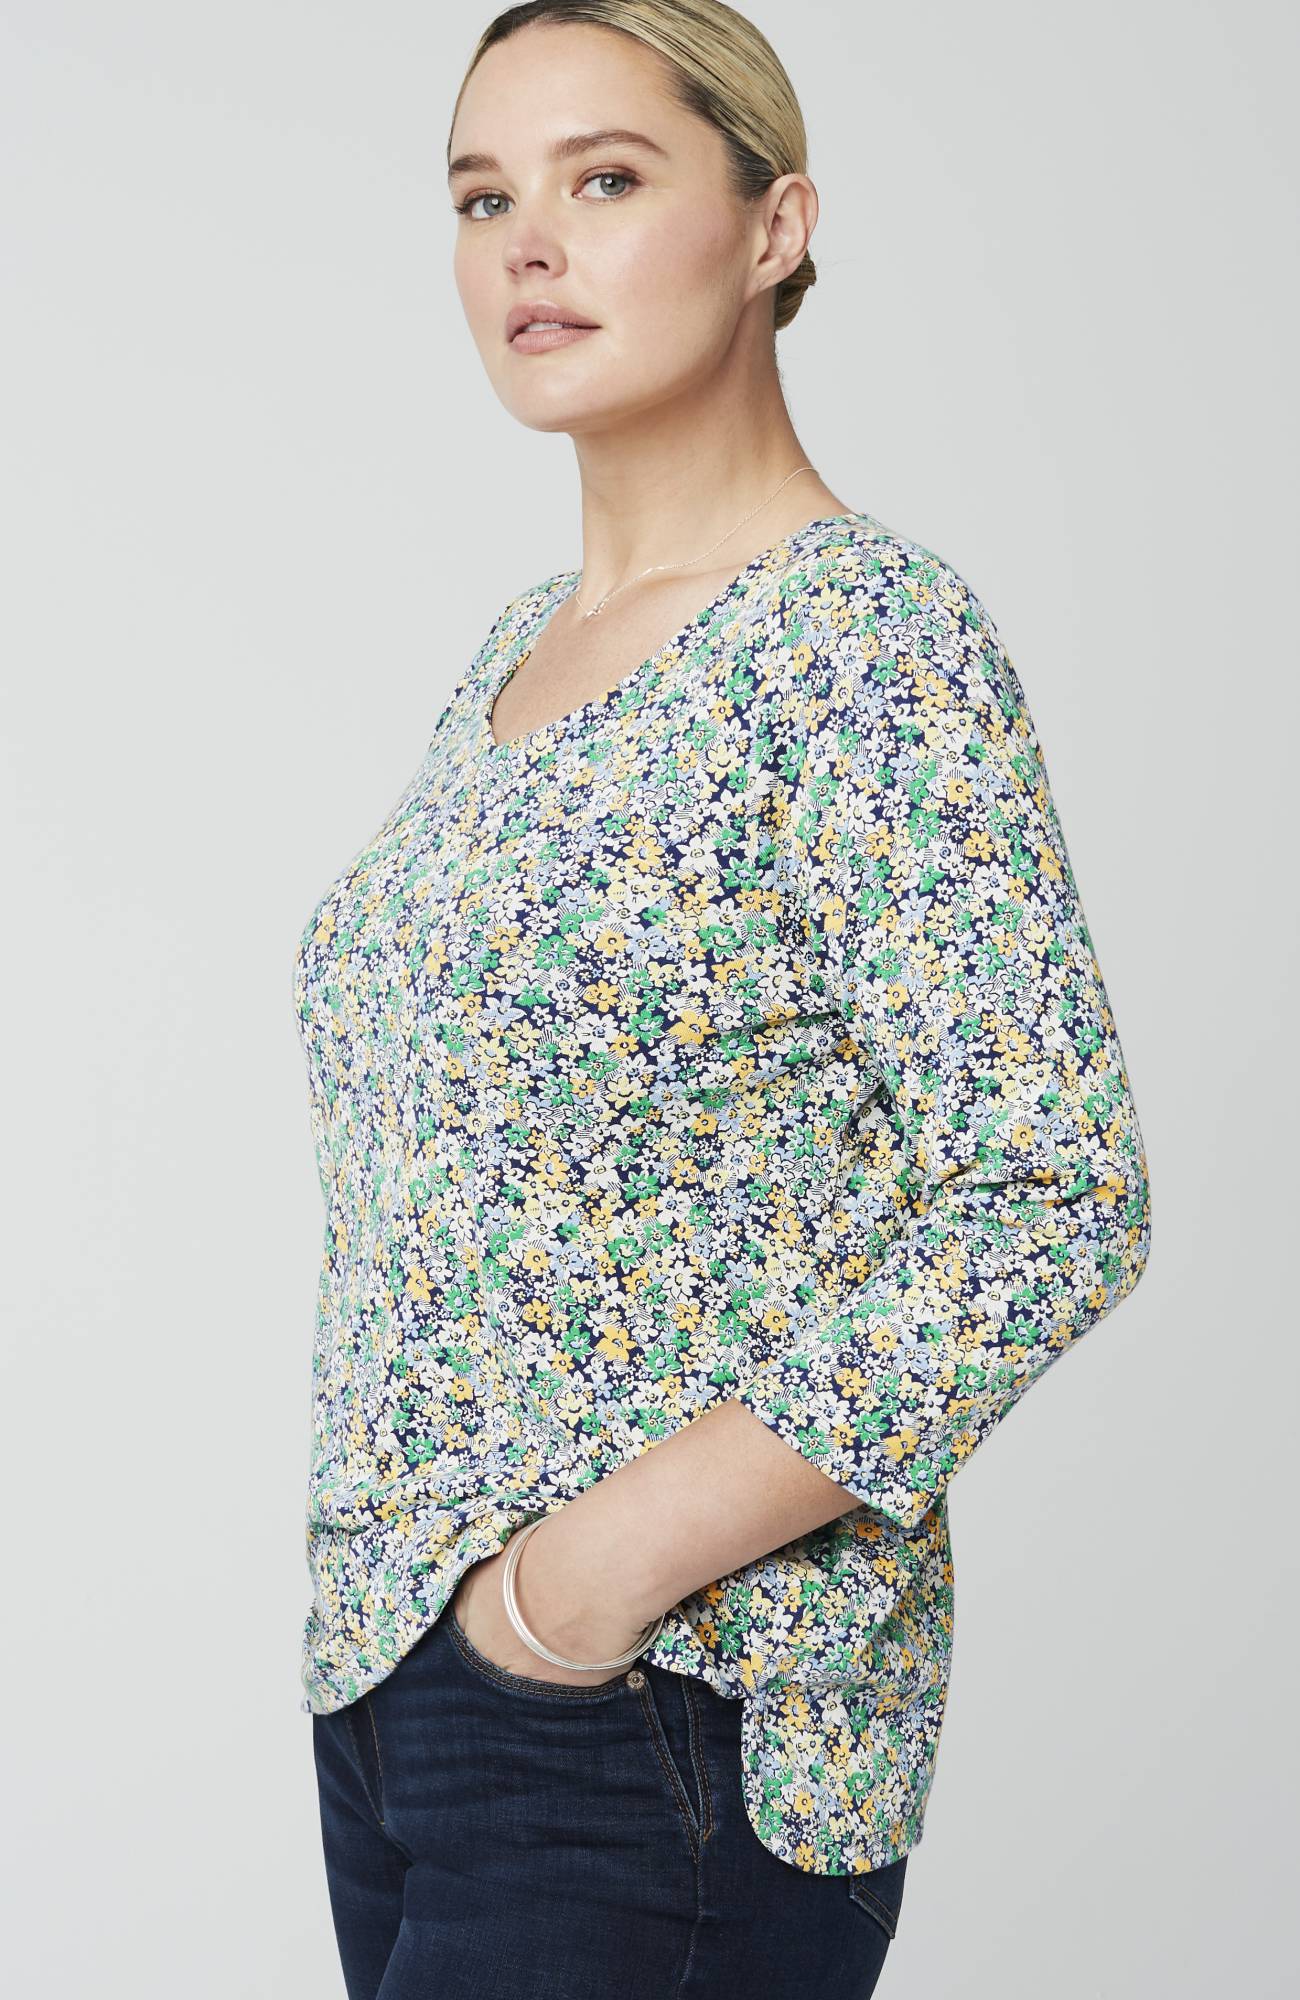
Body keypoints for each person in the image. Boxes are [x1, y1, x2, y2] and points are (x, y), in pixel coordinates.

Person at [294, 4, 1153, 1995]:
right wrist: (455, 1630)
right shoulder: (518, 652)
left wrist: (580, 1586)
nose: (530, 243)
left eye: (604, 179)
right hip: (402, 1693)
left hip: (670, 1701)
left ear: (775, 227)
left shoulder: (863, 643)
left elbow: (1049, 1196)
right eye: (482, 199)